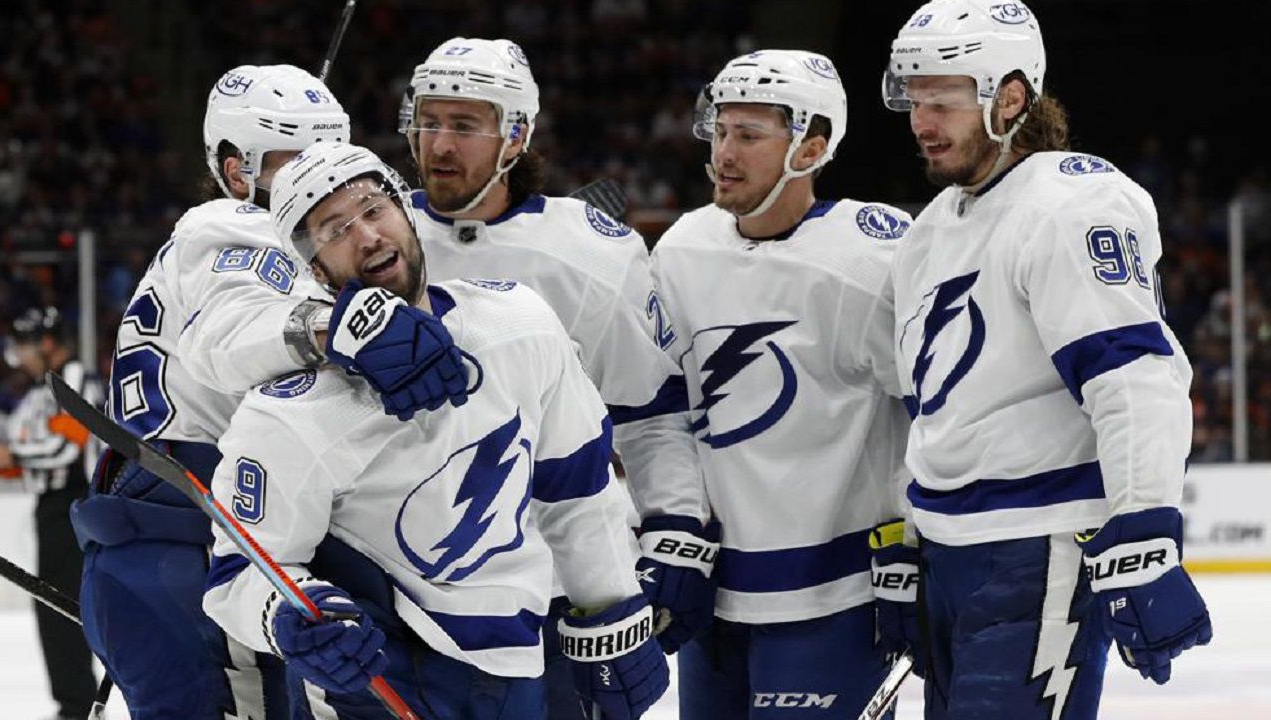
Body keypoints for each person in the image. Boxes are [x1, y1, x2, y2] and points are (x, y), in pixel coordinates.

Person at [203, 140, 669, 720]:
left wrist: (611, 609)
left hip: (518, 670)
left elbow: (575, 489)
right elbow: (236, 574)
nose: (367, 236)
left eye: (374, 210)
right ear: (315, 269)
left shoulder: (518, 324)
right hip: (375, 687)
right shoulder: (291, 413)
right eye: (334, 230)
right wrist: (287, 617)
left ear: (407, 212)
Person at [69, 64, 465, 719]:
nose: (319, 177)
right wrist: (338, 327)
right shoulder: (235, 225)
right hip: (194, 559)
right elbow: (230, 332)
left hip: (159, 554)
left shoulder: (257, 240)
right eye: (293, 161)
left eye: (332, 156)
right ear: (235, 174)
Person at [881, 1, 1213, 717]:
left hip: (1038, 552)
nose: (921, 120)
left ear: (1010, 97)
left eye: (944, 98)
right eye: (914, 98)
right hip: (946, 553)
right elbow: (934, 407)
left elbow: (1134, 376)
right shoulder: (931, 228)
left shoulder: (1071, 203)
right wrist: (907, 544)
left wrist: (1145, 534)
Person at [396, 37, 708, 718]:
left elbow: (652, 413)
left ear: (515, 135)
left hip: (550, 596)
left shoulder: (587, 254)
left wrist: (674, 528)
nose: (439, 144)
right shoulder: (375, 234)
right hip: (396, 591)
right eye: (429, 120)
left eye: (465, 125)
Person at [648, 50, 914, 718]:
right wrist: (674, 534)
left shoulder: (870, 258)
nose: (723, 153)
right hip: (715, 597)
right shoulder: (682, 249)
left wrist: (912, 544)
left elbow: (934, 409)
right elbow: (662, 413)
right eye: (721, 130)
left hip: (837, 597)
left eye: (748, 135)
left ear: (811, 146)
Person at [0, 307, 101, 720]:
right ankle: (72, 702)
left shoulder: (73, 379)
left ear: (48, 342)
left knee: (60, 606)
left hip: (70, 505)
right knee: (52, 606)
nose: (20, 354)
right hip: (53, 507)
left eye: (26, 344)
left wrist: (13, 454)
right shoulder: (43, 388)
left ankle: (76, 706)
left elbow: (66, 448)